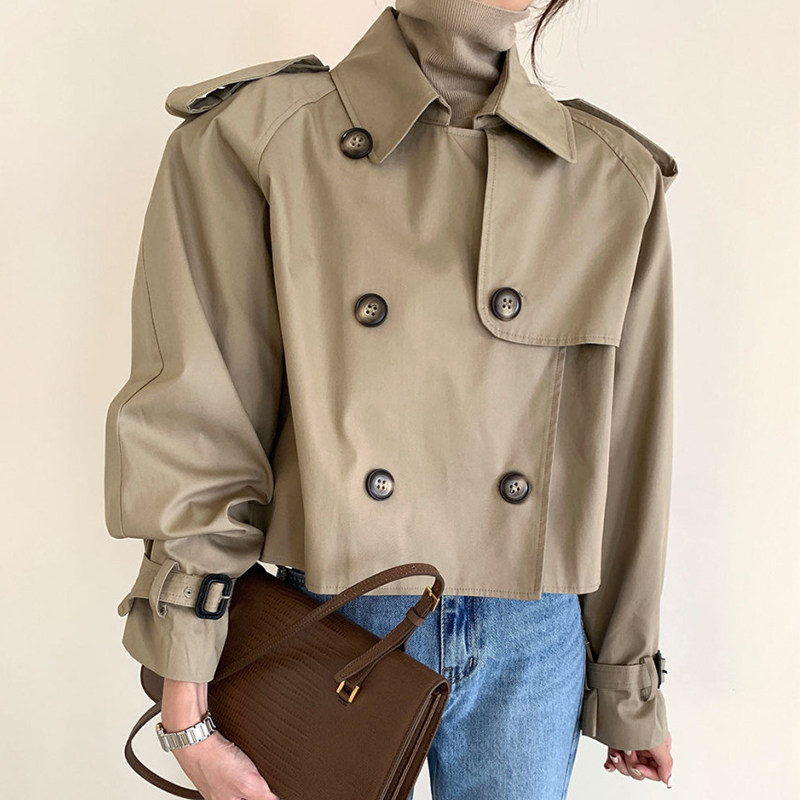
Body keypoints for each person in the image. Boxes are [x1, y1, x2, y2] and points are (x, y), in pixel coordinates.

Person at [104, 1, 678, 798]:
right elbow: (198, 421)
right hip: (334, 615)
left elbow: (630, 449)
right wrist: (185, 706)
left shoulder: (610, 173)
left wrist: (628, 683)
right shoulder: (255, 138)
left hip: (535, 638)